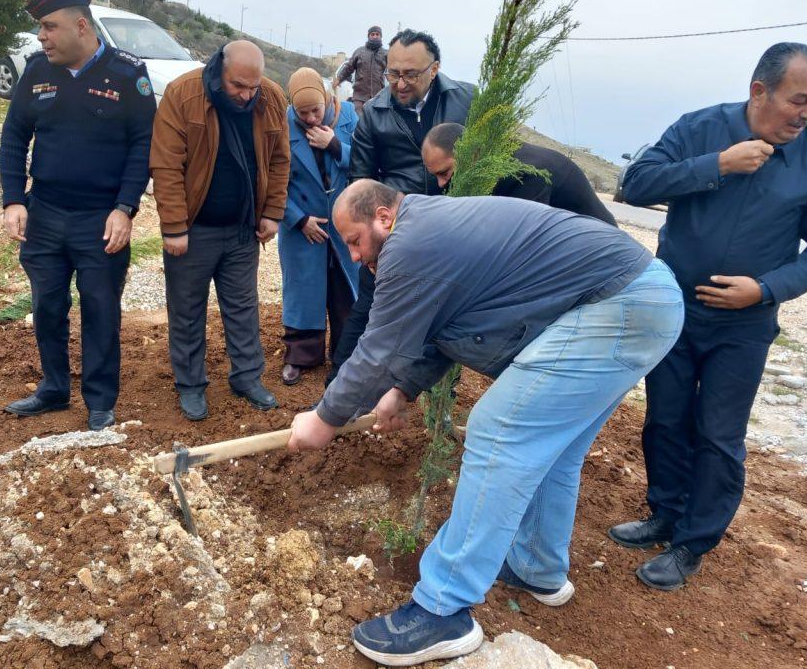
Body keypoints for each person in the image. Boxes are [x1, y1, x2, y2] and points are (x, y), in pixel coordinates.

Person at [287, 180, 683, 666]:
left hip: (619, 304)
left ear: (383, 218)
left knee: (498, 431)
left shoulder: (411, 244)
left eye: (354, 240)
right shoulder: (432, 230)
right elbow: (441, 329)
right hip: (643, 300)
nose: (353, 256)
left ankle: (442, 609)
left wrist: (324, 419)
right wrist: (403, 390)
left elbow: (379, 349)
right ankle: (537, 567)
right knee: (555, 451)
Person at [610, 42, 807, 591]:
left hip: (745, 325)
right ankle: (665, 513)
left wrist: (765, 290)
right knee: (665, 418)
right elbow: (636, 184)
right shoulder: (700, 128)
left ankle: (693, 543)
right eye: (799, 99)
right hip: (673, 307)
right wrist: (716, 164)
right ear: (759, 91)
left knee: (718, 434)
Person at [0, 0, 155, 431]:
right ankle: (53, 388)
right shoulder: (36, 71)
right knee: (47, 306)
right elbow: (14, 135)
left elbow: (143, 145)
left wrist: (125, 208)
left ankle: (100, 401)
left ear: (81, 26)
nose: (41, 36)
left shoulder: (127, 74)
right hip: (45, 213)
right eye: (40, 28)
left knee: (101, 309)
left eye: (50, 27)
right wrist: (14, 199)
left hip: (100, 219)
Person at [150, 40, 290, 421]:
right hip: (194, 229)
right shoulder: (183, 94)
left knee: (243, 308)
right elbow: (166, 165)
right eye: (238, 86)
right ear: (219, 70)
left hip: (243, 228)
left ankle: (247, 377)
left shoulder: (270, 98)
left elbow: (280, 159)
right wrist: (174, 226)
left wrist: (272, 212)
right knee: (187, 308)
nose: (246, 95)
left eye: (253, 87)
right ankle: (190, 384)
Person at [327, 29, 475, 385]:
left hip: (454, 228)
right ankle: (335, 388)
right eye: (393, 73)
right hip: (396, 229)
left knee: (446, 314)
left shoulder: (467, 99)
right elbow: (360, 182)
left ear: (434, 69)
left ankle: (438, 395)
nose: (400, 83)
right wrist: (374, 245)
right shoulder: (374, 113)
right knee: (368, 310)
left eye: (410, 74)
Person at [278, 68, 360, 386]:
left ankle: (345, 356)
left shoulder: (349, 116)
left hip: (344, 223)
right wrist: (298, 219)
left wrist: (335, 146)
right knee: (302, 289)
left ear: (327, 98)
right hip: (302, 226)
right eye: (304, 113)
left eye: (316, 110)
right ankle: (300, 356)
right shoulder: (281, 124)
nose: (311, 118)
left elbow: (365, 163)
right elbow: (272, 180)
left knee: (345, 291)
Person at [422, 123, 617, 226]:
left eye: (445, 173)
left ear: (471, 154)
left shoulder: (523, 174)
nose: (441, 184)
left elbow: (521, 242)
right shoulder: (491, 162)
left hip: (601, 254)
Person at [334, 25, 387, 114]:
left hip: (378, 98)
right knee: (359, 120)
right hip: (360, 97)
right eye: (372, 34)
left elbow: (394, 70)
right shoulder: (359, 52)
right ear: (368, 36)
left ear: (381, 36)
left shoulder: (385, 54)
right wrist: (339, 79)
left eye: (377, 34)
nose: (375, 36)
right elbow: (348, 68)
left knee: (376, 121)